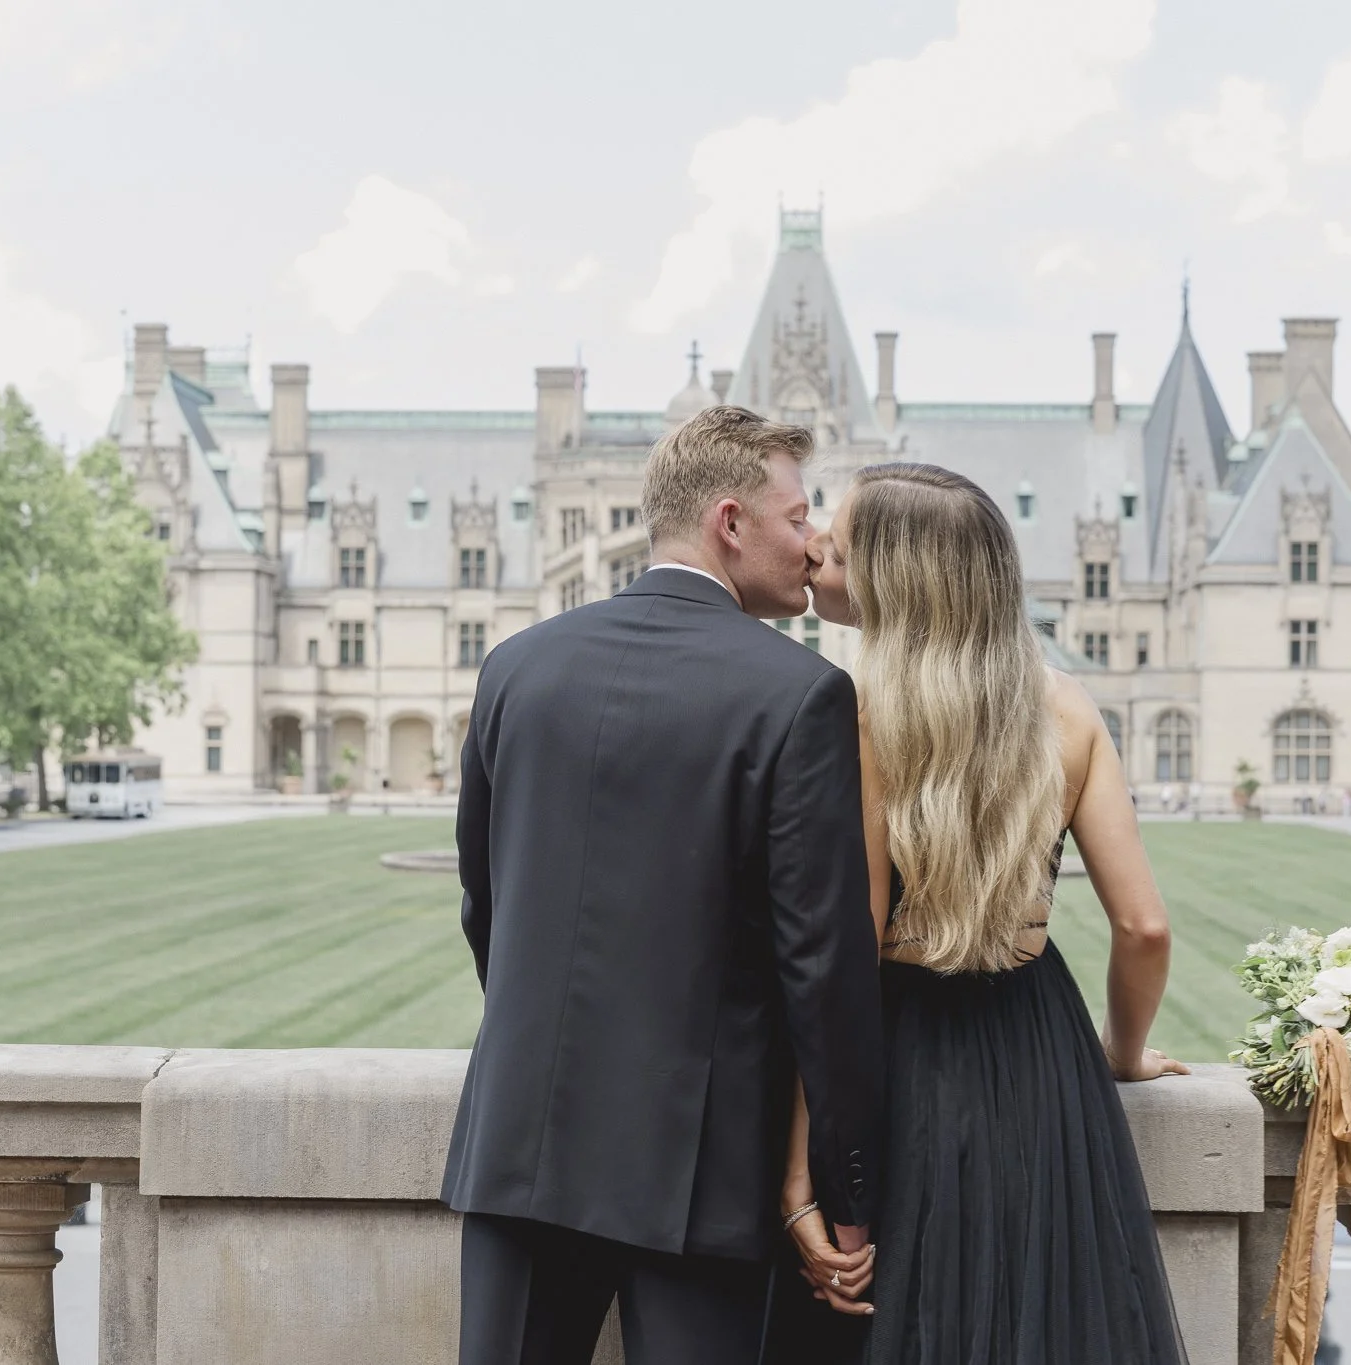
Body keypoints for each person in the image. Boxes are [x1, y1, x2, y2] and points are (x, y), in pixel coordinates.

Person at [442, 407, 885, 1365]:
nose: (812, 545)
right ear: (731, 522)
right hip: (701, 1171)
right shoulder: (799, 693)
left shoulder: (514, 668)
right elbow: (823, 972)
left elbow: (485, 909)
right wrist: (841, 1200)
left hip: (523, 1144)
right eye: (799, 516)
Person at [772, 463, 1192, 1364]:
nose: (814, 552)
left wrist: (802, 1174)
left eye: (836, 549)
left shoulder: (864, 714)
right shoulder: (1072, 711)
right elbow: (1145, 927)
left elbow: (846, 961)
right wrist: (1121, 1052)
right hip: (1040, 1043)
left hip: (903, 1048)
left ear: (898, 582)